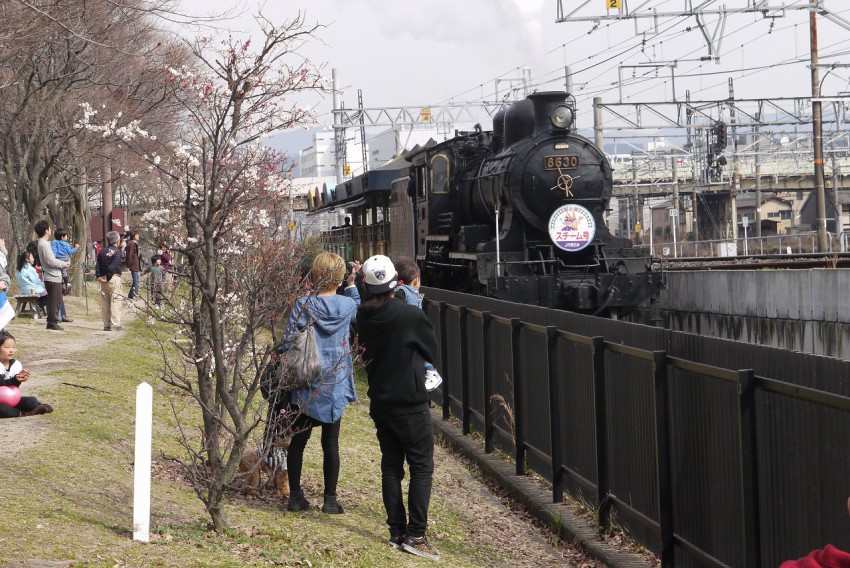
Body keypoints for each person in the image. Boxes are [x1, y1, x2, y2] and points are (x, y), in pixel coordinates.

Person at [355, 255, 441, 561]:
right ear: (395, 282)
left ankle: (396, 532)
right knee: (421, 467)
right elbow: (430, 348)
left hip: (381, 401)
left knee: (391, 466)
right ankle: (416, 536)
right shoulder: (409, 316)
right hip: (411, 401)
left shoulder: (364, 316)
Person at [283, 252, 361, 514]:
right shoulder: (348, 306)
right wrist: (352, 285)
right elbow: (357, 307)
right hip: (335, 381)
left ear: (316, 275)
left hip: (306, 378)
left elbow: (287, 341)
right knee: (331, 442)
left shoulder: (303, 304)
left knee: (299, 441)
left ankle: (296, 496)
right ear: (339, 278)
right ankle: (330, 500)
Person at [393, 258, 442, 392]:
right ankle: (431, 372)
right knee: (419, 348)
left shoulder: (399, 290)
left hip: (410, 328)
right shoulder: (403, 291)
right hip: (413, 328)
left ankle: (431, 371)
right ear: (416, 280)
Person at [0, 331, 52, 418]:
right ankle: (24, 413)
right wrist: (15, 379)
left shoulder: (16, 364)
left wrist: (21, 378)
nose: (11, 350)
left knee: (32, 401)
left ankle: (28, 408)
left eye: (13, 347)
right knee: (2, 409)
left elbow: (14, 386)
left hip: (11, 399)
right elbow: (1, 382)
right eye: (7, 347)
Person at [35, 220, 69, 331]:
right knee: (55, 300)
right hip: (52, 276)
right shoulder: (44, 244)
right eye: (49, 228)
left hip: (51, 275)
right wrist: (64, 264)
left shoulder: (43, 243)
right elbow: (51, 261)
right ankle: (52, 322)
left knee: (55, 300)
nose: (50, 230)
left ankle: (52, 321)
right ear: (46, 231)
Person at [95, 231, 124, 331]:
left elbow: (98, 264)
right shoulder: (117, 252)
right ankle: (115, 324)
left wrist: (99, 276)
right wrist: (108, 276)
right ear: (117, 240)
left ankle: (106, 325)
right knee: (116, 301)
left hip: (103, 280)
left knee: (105, 303)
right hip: (113, 278)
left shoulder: (102, 251)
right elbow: (113, 266)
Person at [51, 228, 78, 323]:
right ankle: (67, 283)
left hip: (57, 260)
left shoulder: (53, 243)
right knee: (64, 273)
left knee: (63, 273)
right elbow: (70, 251)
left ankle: (62, 314)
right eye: (66, 236)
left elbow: (53, 252)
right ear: (63, 237)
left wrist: (55, 258)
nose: (67, 237)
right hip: (64, 261)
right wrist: (76, 248)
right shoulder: (66, 244)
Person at [15, 251, 48, 317]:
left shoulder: (19, 270)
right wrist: (42, 279)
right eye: (32, 257)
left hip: (24, 291)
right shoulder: (29, 269)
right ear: (27, 259)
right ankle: (39, 306)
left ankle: (38, 305)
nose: (33, 259)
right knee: (51, 296)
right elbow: (37, 281)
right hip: (33, 290)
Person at [124, 231, 141, 300]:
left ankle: (131, 295)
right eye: (137, 235)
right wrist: (129, 264)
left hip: (135, 264)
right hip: (133, 264)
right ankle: (135, 294)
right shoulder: (131, 244)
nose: (138, 236)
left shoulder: (134, 243)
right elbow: (129, 255)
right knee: (136, 280)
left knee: (136, 280)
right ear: (133, 236)